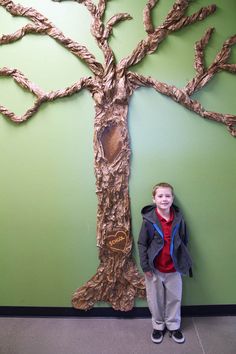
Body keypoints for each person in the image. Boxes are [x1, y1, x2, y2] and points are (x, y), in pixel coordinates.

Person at [138, 182, 192, 344]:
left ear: (172, 198)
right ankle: (158, 326)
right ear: (154, 199)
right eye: (160, 196)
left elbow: (184, 240)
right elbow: (142, 244)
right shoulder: (148, 220)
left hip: (174, 268)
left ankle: (174, 326)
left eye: (167, 196)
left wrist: (182, 260)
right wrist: (145, 266)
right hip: (154, 269)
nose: (164, 199)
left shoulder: (179, 219)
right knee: (155, 299)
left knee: (174, 298)